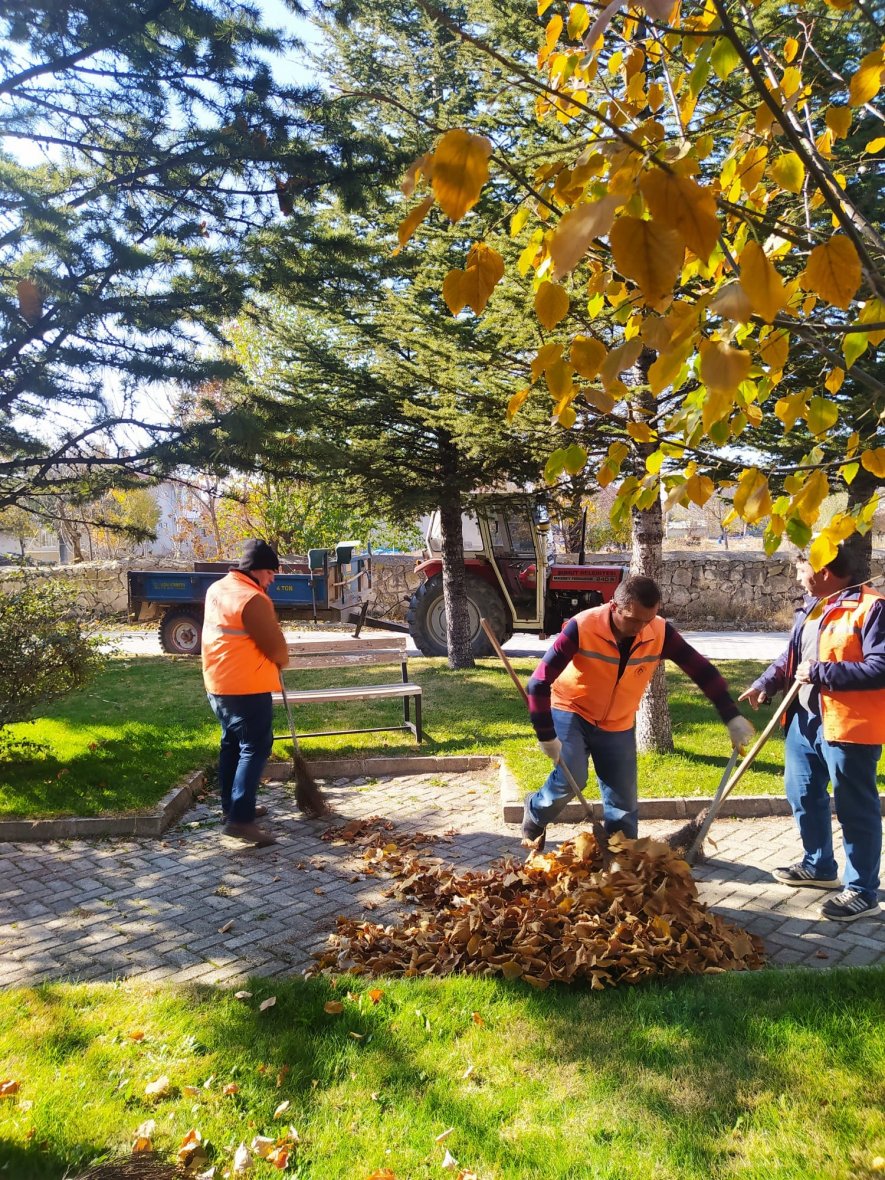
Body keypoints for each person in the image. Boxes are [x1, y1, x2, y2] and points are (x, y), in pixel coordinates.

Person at [523, 574, 754, 849]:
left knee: (623, 805)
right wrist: (547, 736)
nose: (641, 628)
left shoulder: (659, 631)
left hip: (618, 721)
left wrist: (731, 716)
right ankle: (535, 812)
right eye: (633, 620)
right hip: (572, 709)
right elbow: (538, 683)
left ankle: (621, 858)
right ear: (614, 606)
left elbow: (702, 671)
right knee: (572, 778)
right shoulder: (582, 626)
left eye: (648, 619)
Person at [739, 547, 885, 921]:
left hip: (849, 727)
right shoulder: (813, 606)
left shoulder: (872, 608)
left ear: (823, 571)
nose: (797, 575)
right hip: (803, 721)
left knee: (855, 809)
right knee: (802, 793)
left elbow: (880, 666)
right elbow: (793, 657)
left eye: (801, 568)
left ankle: (862, 891)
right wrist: (766, 682)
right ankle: (819, 865)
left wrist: (823, 673)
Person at [202, 538, 289, 846]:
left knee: (231, 744)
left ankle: (232, 807)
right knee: (255, 747)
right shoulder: (252, 598)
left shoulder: (218, 588)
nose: (272, 578)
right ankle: (240, 820)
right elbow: (276, 648)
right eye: (270, 572)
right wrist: (282, 659)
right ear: (256, 570)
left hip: (218, 684)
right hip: (246, 687)